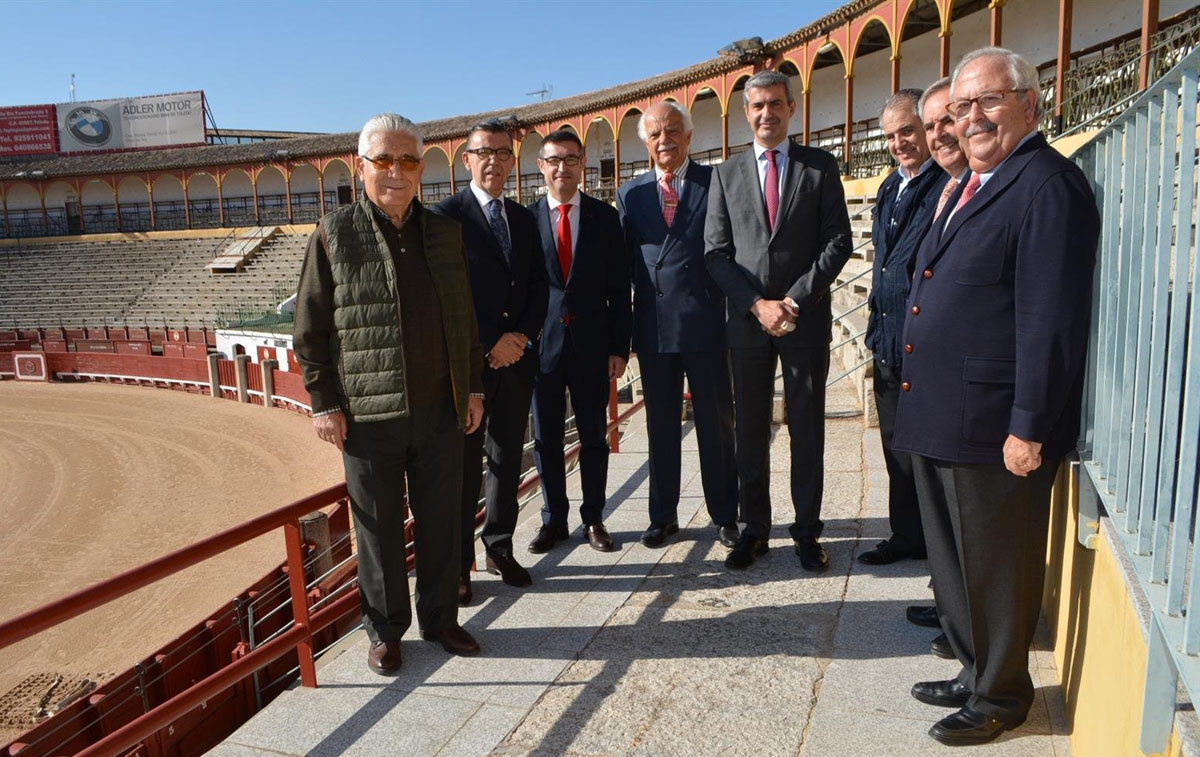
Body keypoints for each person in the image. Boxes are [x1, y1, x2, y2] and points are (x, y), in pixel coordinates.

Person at [893, 47, 1099, 746]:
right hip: (944, 414)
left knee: (996, 562)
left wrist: (1030, 425)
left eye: (987, 101)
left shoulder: (1045, 185)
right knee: (954, 558)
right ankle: (974, 667)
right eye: (960, 106)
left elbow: (1050, 318)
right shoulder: (978, 181)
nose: (970, 117)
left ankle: (1004, 693)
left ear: (1030, 104)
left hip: (994, 423)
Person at [294, 113, 484, 674]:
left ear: (421, 168)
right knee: (375, 529)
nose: (395, 172)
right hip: (367, 413)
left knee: (442, 519)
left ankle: (442, 619)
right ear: (362, 167)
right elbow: (310, 328)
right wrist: (324, 401)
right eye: (383, 160)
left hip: (440, 407)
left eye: (406, 161)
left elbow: (464, 321)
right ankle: (384, 632)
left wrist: (472, 388)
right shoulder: (334, 234)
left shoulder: (447, 233)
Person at [704, 70, 853, 572]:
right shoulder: (726, 174)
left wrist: (791, 301)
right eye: (756, 106)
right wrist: (757, 304)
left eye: (774, 104)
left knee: (806, 428)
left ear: (792, 107)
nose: (766, 113)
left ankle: (808, 531)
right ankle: (754, 529)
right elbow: (716, 255)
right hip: (748, 325)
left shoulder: (819, 167)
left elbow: (839, 242)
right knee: (749, 429)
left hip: (803, 320)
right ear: (746, 113)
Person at [434, 120, 549, 605]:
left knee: (506, 459)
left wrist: (519, 337)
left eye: (504, 153)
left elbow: (541, 286)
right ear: (467, 159)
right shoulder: (445, 217)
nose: (495, 162)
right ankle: (460, 566)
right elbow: (447, 298)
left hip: (517, 361)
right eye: (485, 153)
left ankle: (499, 546)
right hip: (469, 368)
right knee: (462, 467)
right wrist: (489, 345)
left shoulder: (523, 218)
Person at [617, 100, 739, 550]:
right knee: (661, 428)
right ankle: (662, 516)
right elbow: (627, 265)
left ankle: (726, 513)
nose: (663, 140)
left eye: (672, 131)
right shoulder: (629, 194)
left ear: (689, 136)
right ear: (645, 142)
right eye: (654, 134)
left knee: (716, 424)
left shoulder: (716, 181)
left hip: (706, 322)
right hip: (654, 328)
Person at [525, 130, 631, 553]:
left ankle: (593, 519)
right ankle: (554, 521)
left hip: (592, 346)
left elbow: (619, 288)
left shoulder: (605, 218)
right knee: (547, 439)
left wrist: (620, 347)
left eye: (570, 159)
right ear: (541, 166)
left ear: (582, 163)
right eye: (553, 160)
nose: (561, 168)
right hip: (542, 349)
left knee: (593, 437)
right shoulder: (526, 219)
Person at [858, 88, 945, 567]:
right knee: (895, 449)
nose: (899, 142)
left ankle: (937, 547)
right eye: (890, 135)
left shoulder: (946, 182)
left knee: (927, 455)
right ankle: (906, 536)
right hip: (887, 338)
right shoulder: (892, 185)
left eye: (907, 131)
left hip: (924, 344)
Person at [903, 76, 974, 649]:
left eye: (947, 118)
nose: (939, 132)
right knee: (948, 525)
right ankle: (953, 615)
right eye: (933, 125)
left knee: (969, 527)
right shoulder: (953, 188)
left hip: (972, 392)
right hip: (934, 380)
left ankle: (983, 668)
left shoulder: (1017, 186)